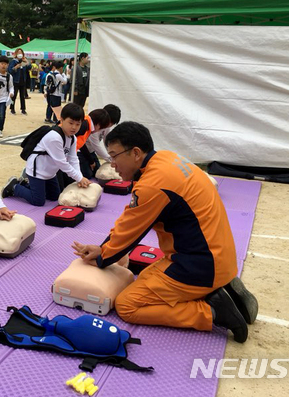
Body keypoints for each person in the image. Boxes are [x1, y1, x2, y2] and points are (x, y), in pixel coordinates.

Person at [72, 122, 258, 343]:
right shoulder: (168, 159)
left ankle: (213, 311)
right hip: (220, 256)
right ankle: (223, 286)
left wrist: (103, 256)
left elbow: (130, 229)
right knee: (146, 275)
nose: (112, 165)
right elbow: (131, 217)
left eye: (114, 156)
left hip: (200, 266)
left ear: (136, 153)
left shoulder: (153, 184)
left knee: (127, 304)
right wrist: (104, 248)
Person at [2, 103, 91, 206]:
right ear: (61, 120)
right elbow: (62, 163)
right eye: (71, 123)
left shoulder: (72, 138)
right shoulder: (55, 137)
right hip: (37, 171)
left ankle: (24, 184)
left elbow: (73, 159)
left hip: (50, 172)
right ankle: (14, 187)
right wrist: (79, 178)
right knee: (38, 201)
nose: (74, 127)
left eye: (78, 124)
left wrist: (79, 176)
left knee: (55, 197)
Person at [84, 104, 121, 169]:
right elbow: (96, 146)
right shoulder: (96, 126)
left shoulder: (106, 127)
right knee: (87, 173)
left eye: (112, 124)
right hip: (82, 152)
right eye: (110, 122)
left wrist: (112, 154)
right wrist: (109, 158)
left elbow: (107, 141)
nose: (109, 125)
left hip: (91, 152)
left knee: (97, 169)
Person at [8, 48, 30, 116]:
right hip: (15, 81)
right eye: (18, 53)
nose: (20, 54)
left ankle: (23, 109)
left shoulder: (24, 61)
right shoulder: (13, 61)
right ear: (16, 54)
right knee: (14, 96)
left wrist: (27, 62)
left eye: (21, 53)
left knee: (22, 96)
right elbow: (10, 70)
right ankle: (12, 109)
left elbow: (29, 67)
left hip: (22, 81)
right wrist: (16, 67)